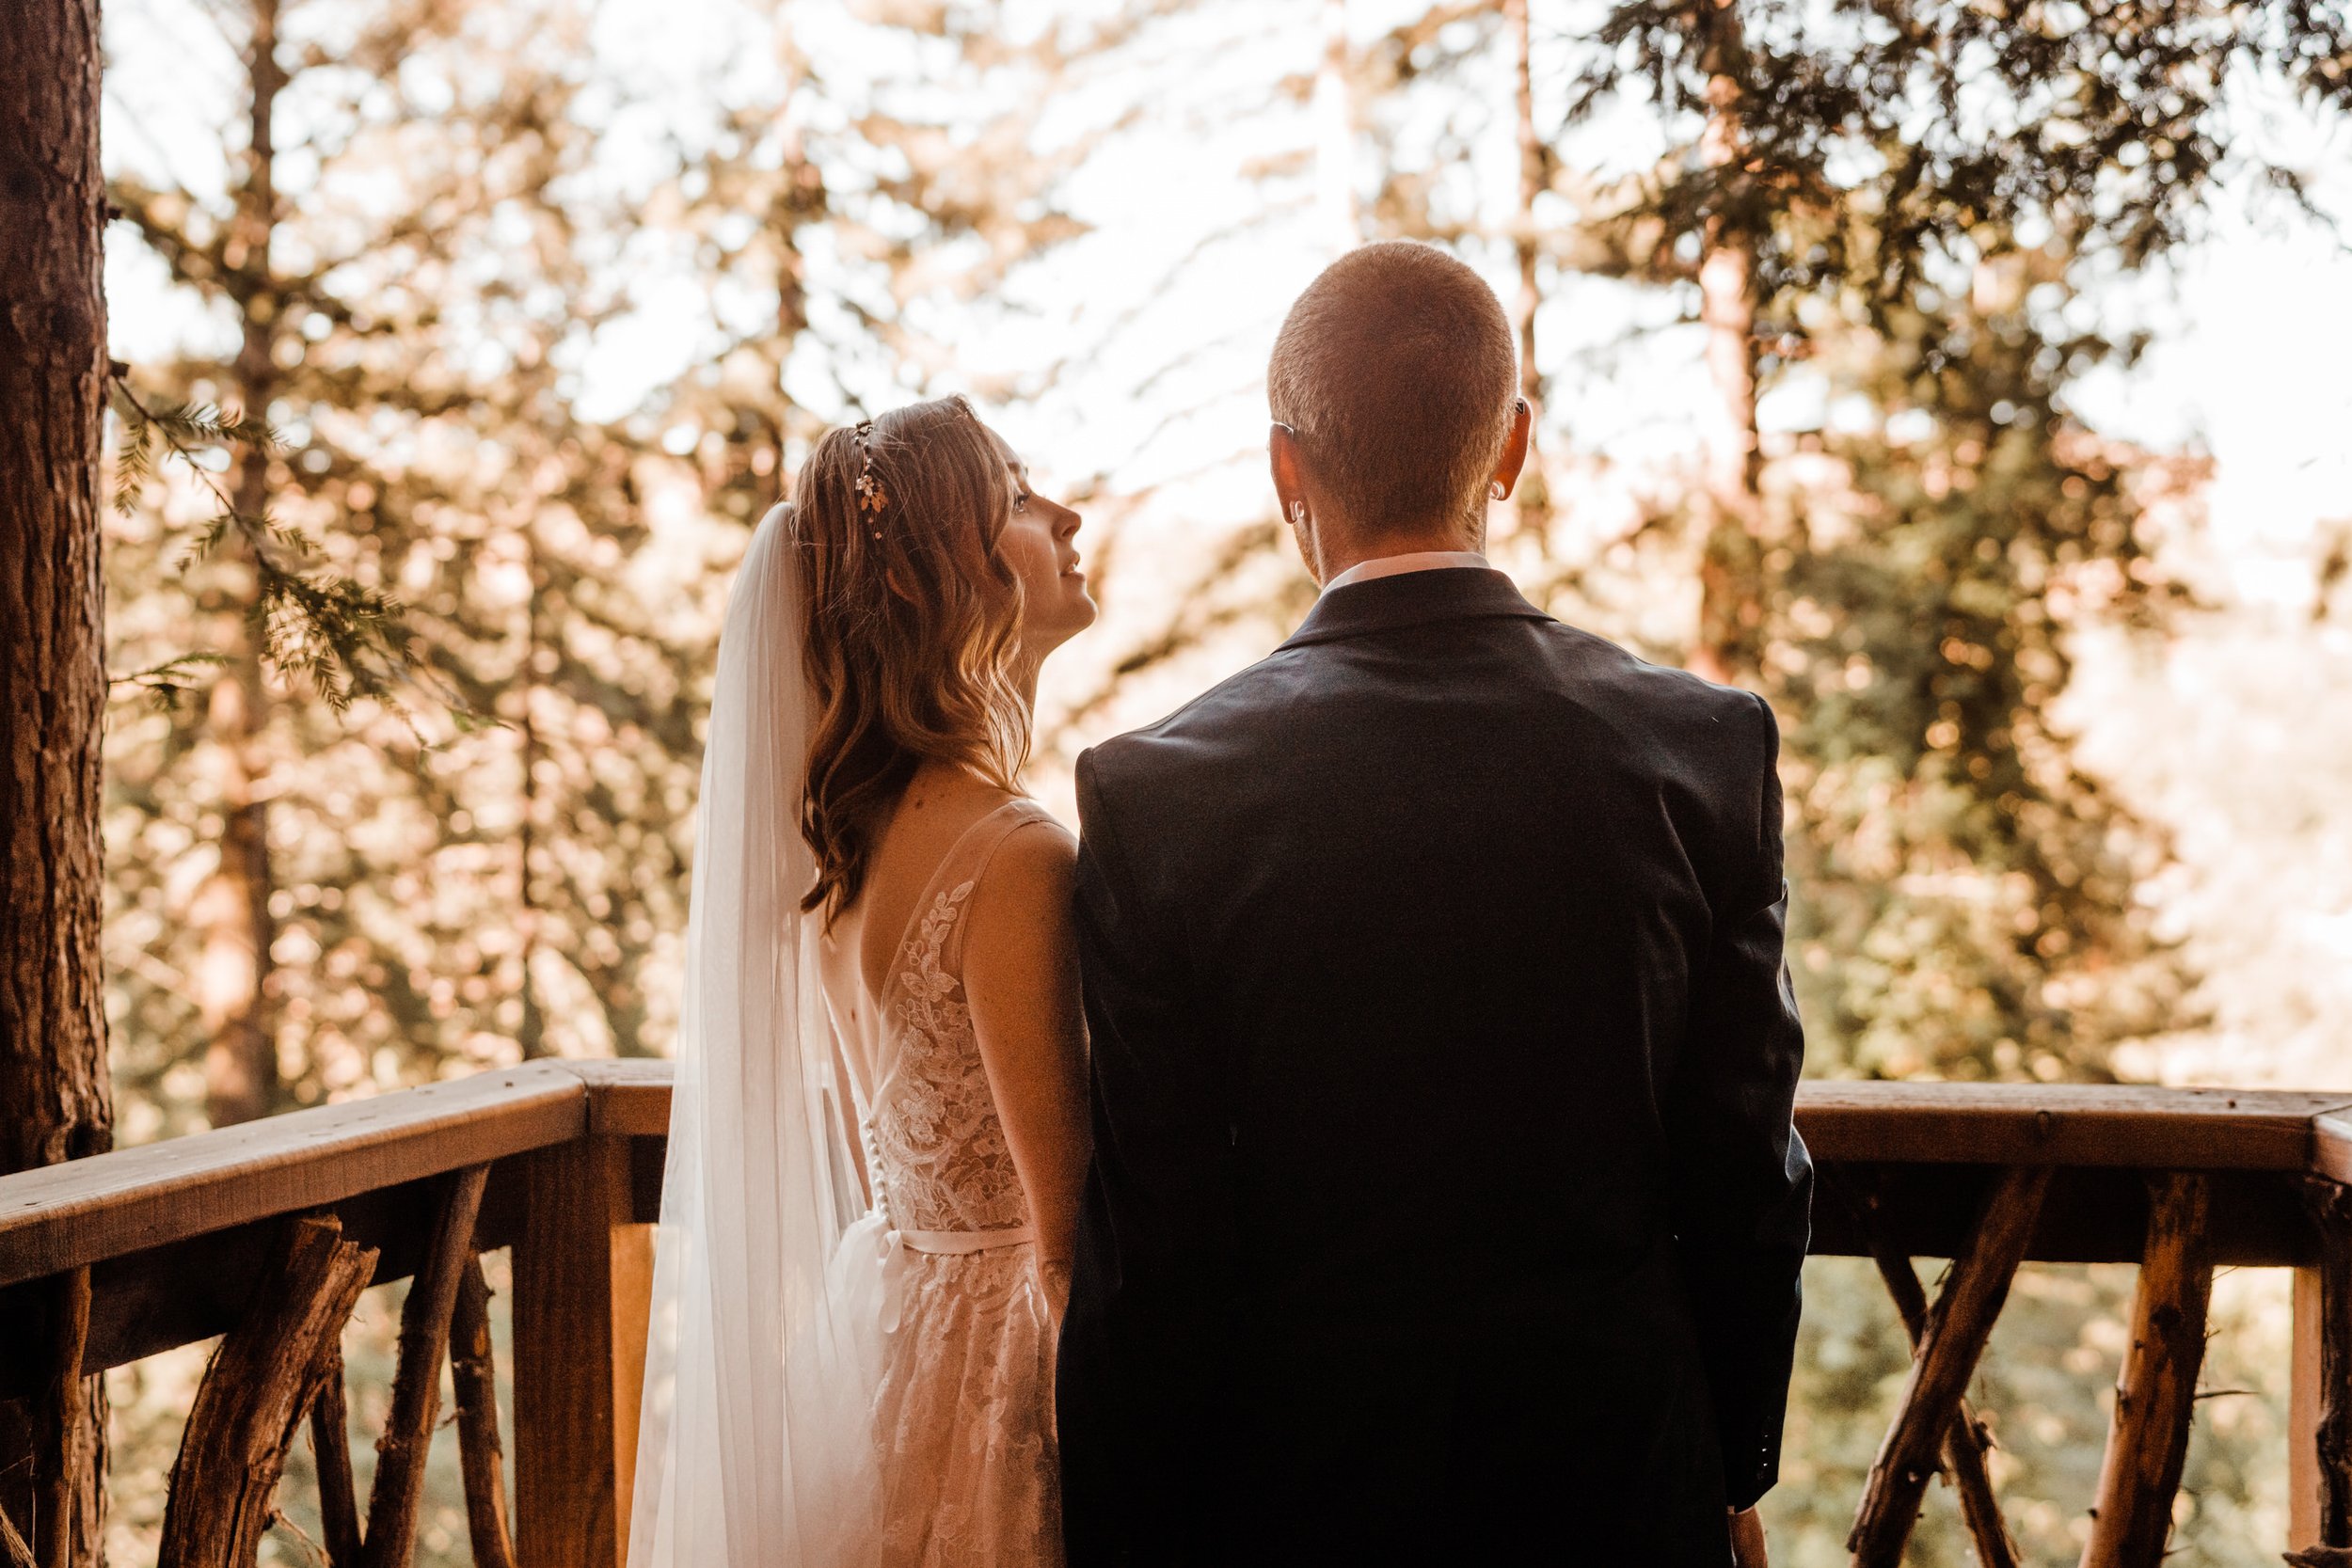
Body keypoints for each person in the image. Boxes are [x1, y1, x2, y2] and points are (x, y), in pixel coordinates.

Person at [1055, 241, 1813, 1565]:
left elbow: (1154, 1252)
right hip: (1617, 1482)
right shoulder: (1702, 747)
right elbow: (1747, 1164)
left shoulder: (1156, 795)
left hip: (1296, 1498)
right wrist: (1724, 1446)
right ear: (1510, 448)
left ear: (1287, 468)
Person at [628, 394, 1095, 1568]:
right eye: (1023, 499)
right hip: (1011, 1382)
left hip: (898, 1345)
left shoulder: (855, 844)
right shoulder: (1013, 855)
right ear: (950, 571)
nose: (1069, 513)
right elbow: (1064, 1240)